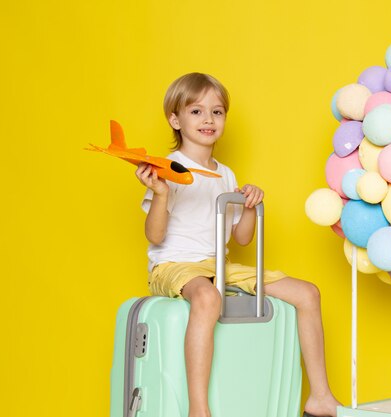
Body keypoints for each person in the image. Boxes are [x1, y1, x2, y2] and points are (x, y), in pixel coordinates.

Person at [136, 72, 341, 417]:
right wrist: (160, 194)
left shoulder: (225, 174)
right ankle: (198, 409)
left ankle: (320, 397)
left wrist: (250, 205)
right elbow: (155, 236)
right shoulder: (170, 170)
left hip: (218, 265)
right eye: (196, 111)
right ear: (175, 119)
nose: (208, 120)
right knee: (206, 297)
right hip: (174, 265)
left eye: (217, 112)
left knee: (308, 293)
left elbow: (242, 238)